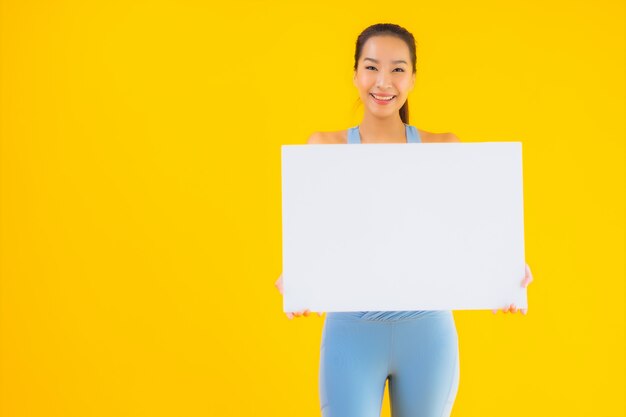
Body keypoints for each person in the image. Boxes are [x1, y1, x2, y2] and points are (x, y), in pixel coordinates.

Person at [274, 23, 534, 417]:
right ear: (355, 74)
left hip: (427, 335)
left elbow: (469, 235)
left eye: (397, 69)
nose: (383, 81)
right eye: (371, 66)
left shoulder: (443, 148)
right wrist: (298, 276)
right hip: (351, 333)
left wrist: (505, 273)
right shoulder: (324, 148)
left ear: (413, 78)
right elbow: (315, 237)